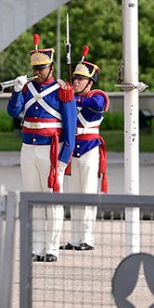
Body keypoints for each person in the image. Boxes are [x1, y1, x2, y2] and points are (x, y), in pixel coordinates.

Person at [7, 36, 76, 263]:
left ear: (51, 67)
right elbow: (13, 112)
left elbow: (70, 125)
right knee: (32, 198)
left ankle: (52, 247)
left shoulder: (62, 89)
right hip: (28, 148)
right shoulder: (26, 88)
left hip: (51, 150)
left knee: (53, 200)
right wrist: (17, 91)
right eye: (35, 68)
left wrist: (65, 157)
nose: (38, 72)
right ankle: (37, 247)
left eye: (42, 68)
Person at [62, 51, 109, 251]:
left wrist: (71, 98)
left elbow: (98, 105)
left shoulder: (96, 96)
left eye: (81, 79)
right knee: (75, 195)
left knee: (88, 194)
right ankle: (75, 238)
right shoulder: (72, 96)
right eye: (75, 79)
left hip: (90, 149)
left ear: (91, 82)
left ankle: (87, 238)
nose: (77, 82)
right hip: (74, 149)